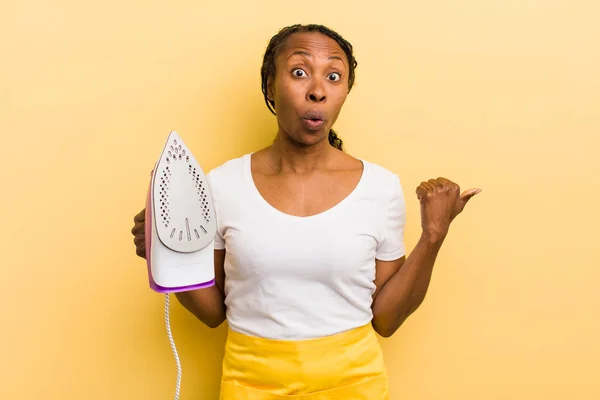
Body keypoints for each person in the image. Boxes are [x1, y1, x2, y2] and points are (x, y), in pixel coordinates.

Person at [131, 23, 481, 399]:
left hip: (354, 386)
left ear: (345, 92)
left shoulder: (381, 188)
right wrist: (164, 251)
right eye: (299, 72)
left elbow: (387, 319)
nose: (317, 91)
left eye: (334, 76)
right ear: (269, 85)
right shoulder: (220, 185)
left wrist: (433, 236)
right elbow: (213, 313)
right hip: (250, 386)